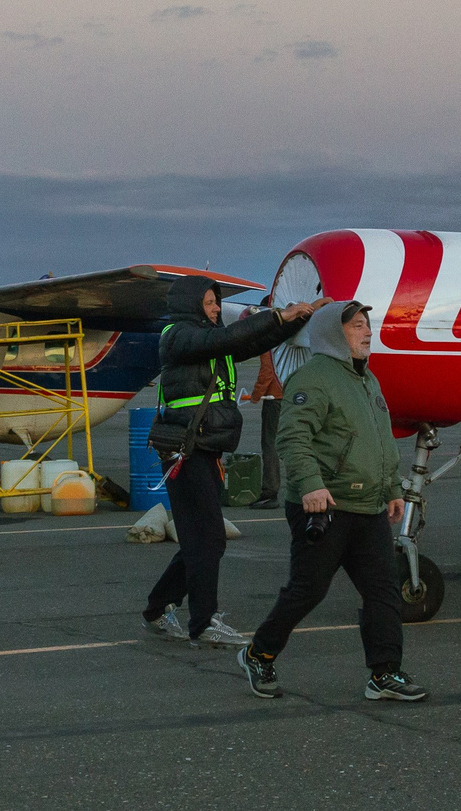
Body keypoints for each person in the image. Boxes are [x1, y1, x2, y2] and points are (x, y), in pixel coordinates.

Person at [238, 302, 426, 701]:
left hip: (368, 506)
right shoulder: (314, 378)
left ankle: (384, 674)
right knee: (308, 590)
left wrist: (392, 488)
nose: (367, 333)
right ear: (331, 333)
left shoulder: (367, 380)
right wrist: (309, 485)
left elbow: (381, 441)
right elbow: (292, 437)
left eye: (367, 326)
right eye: (357, 326)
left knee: (383, 590)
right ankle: (259, 654)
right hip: (323, 505)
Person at [141, 277, 326, 649]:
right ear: (192, 304)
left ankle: (159, 608)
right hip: (186, 452)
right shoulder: (178, 336)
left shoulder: (209, 340)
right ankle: (204, 621)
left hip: (203, 449)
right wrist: (278, 314)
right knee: (208, 539)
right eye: (209, 302)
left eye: (216, 302)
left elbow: (255, 340)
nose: (214, 308)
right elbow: (227, 338)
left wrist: (300, 319)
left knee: (200, 539)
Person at [246, 339, 285, 509]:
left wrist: (256, 394)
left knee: (270, 444)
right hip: (295, 396)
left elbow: (267, 372)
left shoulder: (270, 341)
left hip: (275, 398)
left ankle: (270, 492)